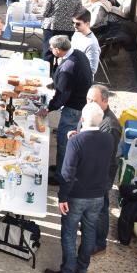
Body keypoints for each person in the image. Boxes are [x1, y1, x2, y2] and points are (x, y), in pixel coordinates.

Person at [44, 102, 114, 273]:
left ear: (82, 119)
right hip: (97, 196)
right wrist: (76, 138)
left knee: (69, 233)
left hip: (76, 196)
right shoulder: (108, 139)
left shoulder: (76, 142)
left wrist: (62, 198)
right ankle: (82, 270)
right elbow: (93, 153)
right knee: (89, 231)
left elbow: (67, 174)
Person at [43, 34, 94, 178]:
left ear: (58, 50)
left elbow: (62, 96)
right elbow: (75, 79)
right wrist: (56, 83)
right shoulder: (78, 54)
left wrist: (48, 108)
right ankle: (61, 168)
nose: (50, 50)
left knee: (63, 141)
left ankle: (61, 175)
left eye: (51, 48)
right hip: (81, 102)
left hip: (73, 108)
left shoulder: (67, 67)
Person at [87, 84, 122, 255]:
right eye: (88, 100)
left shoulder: (110, 126)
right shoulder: (94, 112)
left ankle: (99, 242)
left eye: (93, 100)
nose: (89, 104)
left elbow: (106, 157)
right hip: (93, 170)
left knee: (101, 208)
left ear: (105, 101)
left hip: (101, 174)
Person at [41, 0, 83, 64]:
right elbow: (78, 13)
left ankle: (47, 73)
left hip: (52, 26)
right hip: (68, 28)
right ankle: (62, 72)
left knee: (48, 52)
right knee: (65, 52)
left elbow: (44, 13)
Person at [71, 8, 101, 77]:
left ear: (87, 24)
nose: (74, 26)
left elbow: (92, 69)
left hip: (81, 79)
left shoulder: (91, 44)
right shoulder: (77, 33)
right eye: (73, 23)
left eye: (78, 24)